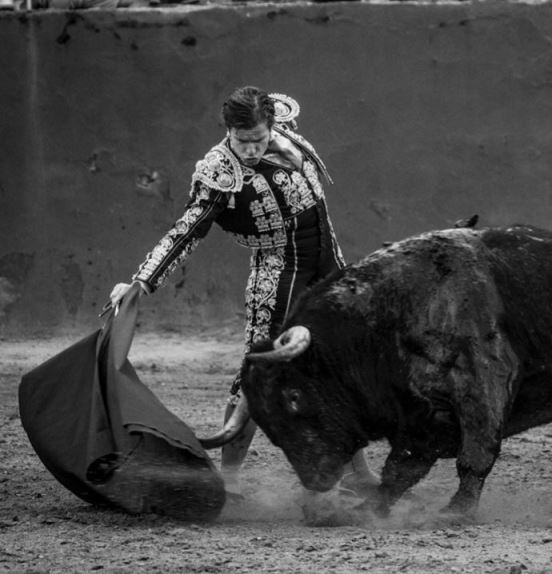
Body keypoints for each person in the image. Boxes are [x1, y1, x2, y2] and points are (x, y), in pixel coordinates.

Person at [108, 86, 378, 495]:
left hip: (327, 266)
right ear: (228, 131)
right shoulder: (220, 170)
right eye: (241, 140)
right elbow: (186, 231)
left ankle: (359, 472)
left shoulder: (284, 130)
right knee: (257, 375)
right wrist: (144, 280)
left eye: (258, 139)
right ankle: (230, 478)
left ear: (272, 124)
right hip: (279, 276)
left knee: (340, 365)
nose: (250, 150)